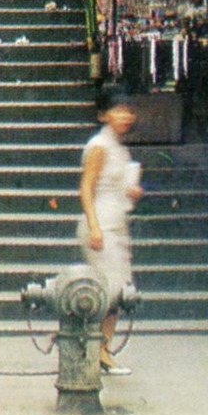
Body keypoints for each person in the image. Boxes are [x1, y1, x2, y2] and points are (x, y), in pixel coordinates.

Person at [77, 88, 143, 374]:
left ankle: (103, 349)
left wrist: (131, 191)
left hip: (117, 223)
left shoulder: (120, 147)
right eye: (118, 109)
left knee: (117, 292)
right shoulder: (99, 146)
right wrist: (93, 226)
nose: (125, 116)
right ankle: (96, 351)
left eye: (128, 110)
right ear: (104, 114)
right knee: (110, 292)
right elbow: (86, 187)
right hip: (101, 224)